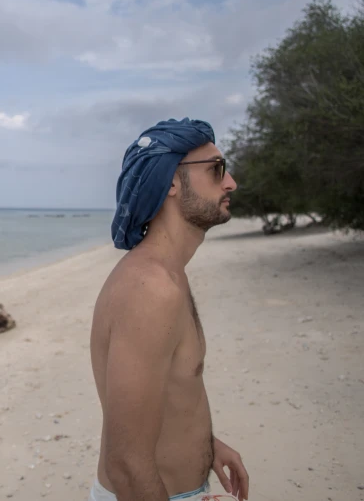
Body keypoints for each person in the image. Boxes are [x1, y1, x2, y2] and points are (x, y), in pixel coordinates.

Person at [89, 118, 250, 501]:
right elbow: (126, 463)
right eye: (216, 170)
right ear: (172, 182)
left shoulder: (168, 273)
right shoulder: (150, 289)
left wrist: (207, 445)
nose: (231, 183)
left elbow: (166, 395)